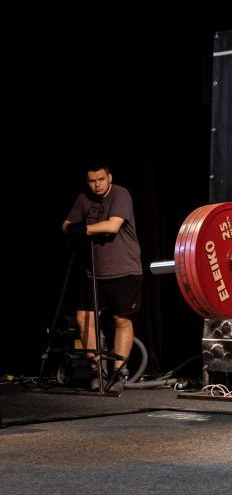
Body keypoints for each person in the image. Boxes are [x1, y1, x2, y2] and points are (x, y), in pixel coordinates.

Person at [62, 163, 143, 393]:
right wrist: (73, 228)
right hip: (93, 272)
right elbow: (66, 225)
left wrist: (83, 228)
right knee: (84, 318)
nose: (96, 185)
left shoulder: (121, 194)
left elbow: (112, 226)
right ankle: (98, 370)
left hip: (123, 270)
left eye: (101, 179)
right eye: (92, 180)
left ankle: (118, 373)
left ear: (109, 177)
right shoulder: (83, 198)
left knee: (120, 320)